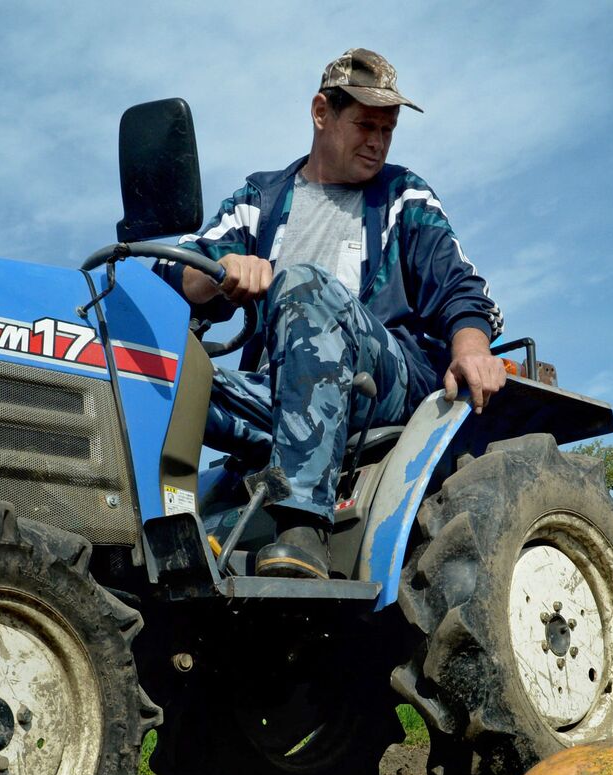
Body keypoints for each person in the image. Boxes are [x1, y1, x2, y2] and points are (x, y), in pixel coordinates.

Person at [159, 47, 506, 579]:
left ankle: (301, 525)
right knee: (160, 378)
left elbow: (458, 283)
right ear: (321, 113)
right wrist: (218, 271)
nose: (378, 141)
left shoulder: (402, 195)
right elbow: (175, 270)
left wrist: (472, 348)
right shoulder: (262, 198)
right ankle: (144, 534)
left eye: (387, 129)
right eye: (366, 124)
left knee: (303, 285)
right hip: (277, 393)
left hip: (377, 384)